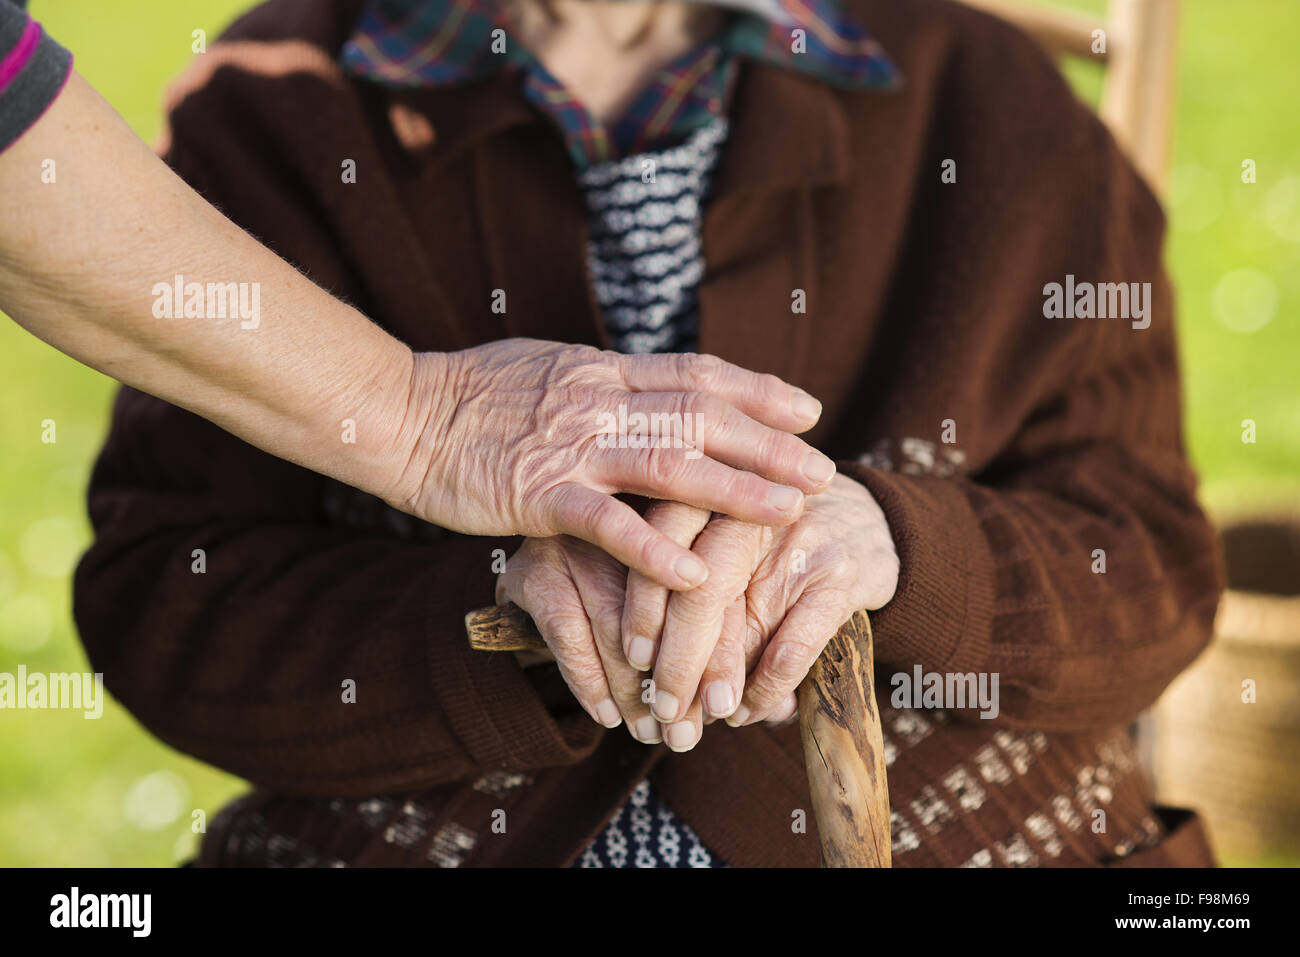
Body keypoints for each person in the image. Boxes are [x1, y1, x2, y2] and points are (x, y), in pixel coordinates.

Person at [74, 0, 1222, 868]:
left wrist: (893, 547)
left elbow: (1152, 563)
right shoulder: (272, 115)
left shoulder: (995, 106)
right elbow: (167, 595)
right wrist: (501, 611)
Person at [0, 0, 835, 592]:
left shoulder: (953, 79)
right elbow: (167, 578)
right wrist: (485, 597)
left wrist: (899, 543)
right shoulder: (269, 101)